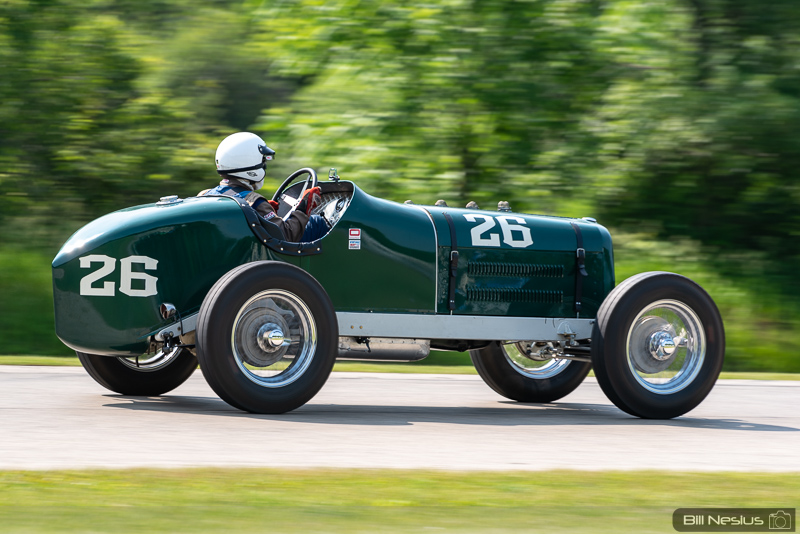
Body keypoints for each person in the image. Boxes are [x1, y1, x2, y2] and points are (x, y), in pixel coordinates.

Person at [198, 132, 329, 242]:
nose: (264, 166)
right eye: (263, 162)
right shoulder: (254, 201)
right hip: (260, 259)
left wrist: (266, 214)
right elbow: (286, 237)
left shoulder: (205, 195)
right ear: (250, 164)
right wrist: (303, 208)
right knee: (317, 222)